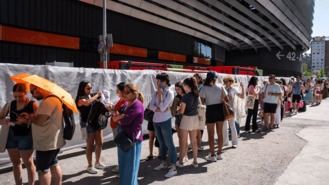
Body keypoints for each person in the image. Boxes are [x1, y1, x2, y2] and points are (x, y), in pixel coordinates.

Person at [26, 84, 66, 185]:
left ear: (39, 88)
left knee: (43, 170)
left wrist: (29, 118)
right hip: (52, 141)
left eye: (32, 91)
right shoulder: (53, 99)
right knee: (54, 164)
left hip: (46, 143)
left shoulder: (49, 101)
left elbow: (40, 121)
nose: (32, 95)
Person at [0, 83, 37, 185]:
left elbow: (39, 121)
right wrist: (4, 121)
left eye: (20, 96)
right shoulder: (10, 104)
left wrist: (27, 120)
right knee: (15, 163)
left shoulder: (32, 104)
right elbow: (0, 118)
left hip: (26, 136)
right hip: (11, 136)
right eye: (15, 96)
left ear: (26, 93)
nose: (17, 98)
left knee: (28, 163)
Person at [112, 83, 144, 185]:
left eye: (127, 92)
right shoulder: (128, 103)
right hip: (125, 139)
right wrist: (119, 116)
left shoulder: (137, 104)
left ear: (134, 93)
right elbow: (119, 118)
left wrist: (119, 117)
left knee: (130, 170)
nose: (124, 94)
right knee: (124, 167)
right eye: (124, 92)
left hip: (132, 141)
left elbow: (125, 121)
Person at [149, 73, 177, 178]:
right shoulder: (156, 92)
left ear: (164, 81)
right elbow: (150, 106)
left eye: (158, 81)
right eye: (157, 81)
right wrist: (157, 107)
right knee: (161, 142)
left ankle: (173, 166)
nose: (157, 83)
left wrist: (160, 97)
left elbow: (163, 107)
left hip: (165, 120)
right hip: (156, 120)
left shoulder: (169, 93)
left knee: (169, 143)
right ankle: (164, 162)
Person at [75, 81, 105, 174]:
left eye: (91, 88)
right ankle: (89, 166)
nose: (90, 90)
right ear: (82, 88)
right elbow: (87, 103)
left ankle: (97, 162)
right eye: (88, 88)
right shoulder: (80, 99)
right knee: (90, 145)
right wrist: (97, 95)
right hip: (87, 124)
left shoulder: (90, 96)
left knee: (100, 142)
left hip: (96, 122)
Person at [200, 71, 227, 161]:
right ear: (215, 78)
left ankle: (212, 155)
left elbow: (202, 102)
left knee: (211, 134)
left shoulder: (204, 88)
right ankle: (219, 154)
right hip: (219, 109)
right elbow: (226, 99)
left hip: (210, 110)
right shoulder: (220, 86)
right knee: (220, 133)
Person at [176, 77, 200, 168]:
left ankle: (181, 161)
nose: (183, 87)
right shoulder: (196, 94)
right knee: (194, 141)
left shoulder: (185, 96)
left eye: (184, 86)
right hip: (195, 118)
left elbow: (182, 111)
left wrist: (177, 110)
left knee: (183, 141)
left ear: (187, 86)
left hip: (186, 119)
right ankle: (195, 161)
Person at [109, 82, 127, 172]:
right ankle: (122, 166)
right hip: (116, 126)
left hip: (119, 127)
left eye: (118, 90)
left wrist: (111, 110)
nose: (116, 92)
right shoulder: (121, 100)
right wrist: (112, 109)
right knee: (120, 148)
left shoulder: (125, 101)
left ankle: (122, 167)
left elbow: (119, 117)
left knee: (122, 148)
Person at [223, 76, 244, 148]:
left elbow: (242, 96)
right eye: (225, 81)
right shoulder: (223, 88)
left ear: (231, 82)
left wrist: (242, 87)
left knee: (232, 125)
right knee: (224, 126)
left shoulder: (233, 89)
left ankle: (234, 142)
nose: (226, 82)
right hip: (224, 109)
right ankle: (225, 142)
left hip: (231, 109)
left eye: (227, 81)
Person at [170, 82, 186, 162]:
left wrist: (180, 110)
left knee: (184, 138)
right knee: (180, 137)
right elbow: (173, 111)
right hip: (178, 119)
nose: (177, 91)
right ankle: (182, 152)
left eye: (178, 89)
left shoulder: (187, 96)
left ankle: (184, 154)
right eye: (176, 89)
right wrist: (175, 110)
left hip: (186, 119)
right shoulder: (176, 97)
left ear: (182, 88)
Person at [193, 73, 204, 151]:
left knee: (200, 126)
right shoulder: (194, 87)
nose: (195, 79)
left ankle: (199, 143)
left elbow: (202, 98)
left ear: (200, 79)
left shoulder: (202, 87)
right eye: (194, 78)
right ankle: (196, 142)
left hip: (201, 107)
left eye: (196, 78)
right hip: (195, 107)